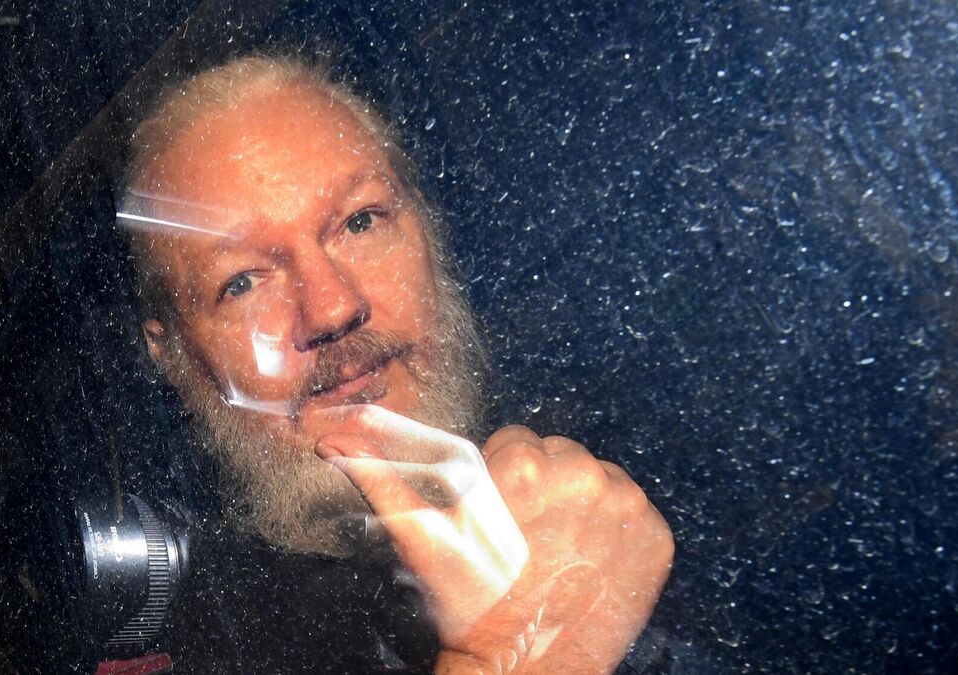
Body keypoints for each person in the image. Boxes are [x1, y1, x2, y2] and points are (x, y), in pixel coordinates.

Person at [118, 53, 674, 674]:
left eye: (360, 222)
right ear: (174, 358)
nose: (332, 306)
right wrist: (522, 647)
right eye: (242, 282)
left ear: (431, 230)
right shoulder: (186, 640)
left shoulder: (631, 474)